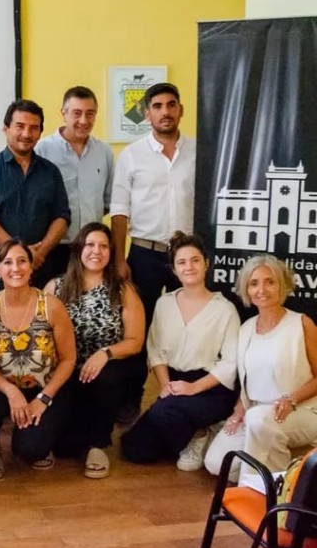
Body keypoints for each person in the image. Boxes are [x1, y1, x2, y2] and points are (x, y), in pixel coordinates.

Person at [110, 82, 196, 421]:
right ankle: (130, 399)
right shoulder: (131, 155)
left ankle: (179, 396)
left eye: (171, 104)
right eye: (157, 106)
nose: (165, 111)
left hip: (186, 257)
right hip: (144, 254)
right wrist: (119, 258)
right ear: (147, 114)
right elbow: (119, 211)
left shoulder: (199, 151)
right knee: (137, 328)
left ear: (180, 110)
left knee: (183, 327)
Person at [122, 233, 239, 470]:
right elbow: (156, 350)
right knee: (134, 449)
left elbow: (230, 363)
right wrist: (165, 385)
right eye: (182, 262)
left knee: (163, 414)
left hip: (210, 388)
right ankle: (196, 428)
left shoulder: (225, 309)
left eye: (195, 260)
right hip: (174, 383)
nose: (189, 267)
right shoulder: (164, 303)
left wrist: (193, 388)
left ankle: (200, 433)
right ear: (174, 270)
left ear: (206, 263)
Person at [204, 255, 317, 483]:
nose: (261, 290)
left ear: (282, 285)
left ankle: (262, 492)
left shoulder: (301, 323)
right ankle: (288, 471)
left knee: (259, 421)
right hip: (255, 412)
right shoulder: (246, 328)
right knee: (216, 463)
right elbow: (249, 382)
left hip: (302, 410)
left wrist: (291, 399)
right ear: (246, 289)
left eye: (270, 282)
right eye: (254, 283)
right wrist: (239, 410)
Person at [45, 223, 145, 479]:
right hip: (67, 371)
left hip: (107, 370)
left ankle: (99, 444)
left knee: (108, 376)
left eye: (103, 246)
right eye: (90, 245)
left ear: (111, 252)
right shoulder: (56, 287)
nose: (96, 251)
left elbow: (135, 340)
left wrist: (105, 354)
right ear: (79, 249)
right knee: (65, 448)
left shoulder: (123, 289)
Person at [0, 238, 76, 481]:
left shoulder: (52, 306)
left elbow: (68, 359)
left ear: (31, 268)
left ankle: (39, 436)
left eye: (22, 261)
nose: (15, 268)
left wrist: (44, 398)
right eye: (7, 262)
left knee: (30, 449)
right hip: (3, 388)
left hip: (46, 388)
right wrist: (11, 392)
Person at [0, 99, 71, 299]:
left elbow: (62, 216)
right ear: (6, 128)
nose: (26, 133)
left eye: (34, 128)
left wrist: (39, 253)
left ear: (40, 132)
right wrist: (20, 253)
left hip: (40, 267)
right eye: (20, 126)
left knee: (41, 318)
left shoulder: (50, 171)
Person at [34, 86, 113, 263]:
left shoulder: (104, 152)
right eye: (77, 113)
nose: (84, 121)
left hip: (91, 248)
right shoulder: (42, 150)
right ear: (64, 113)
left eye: (90, 114)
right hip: (52, 248)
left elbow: (107, 202)